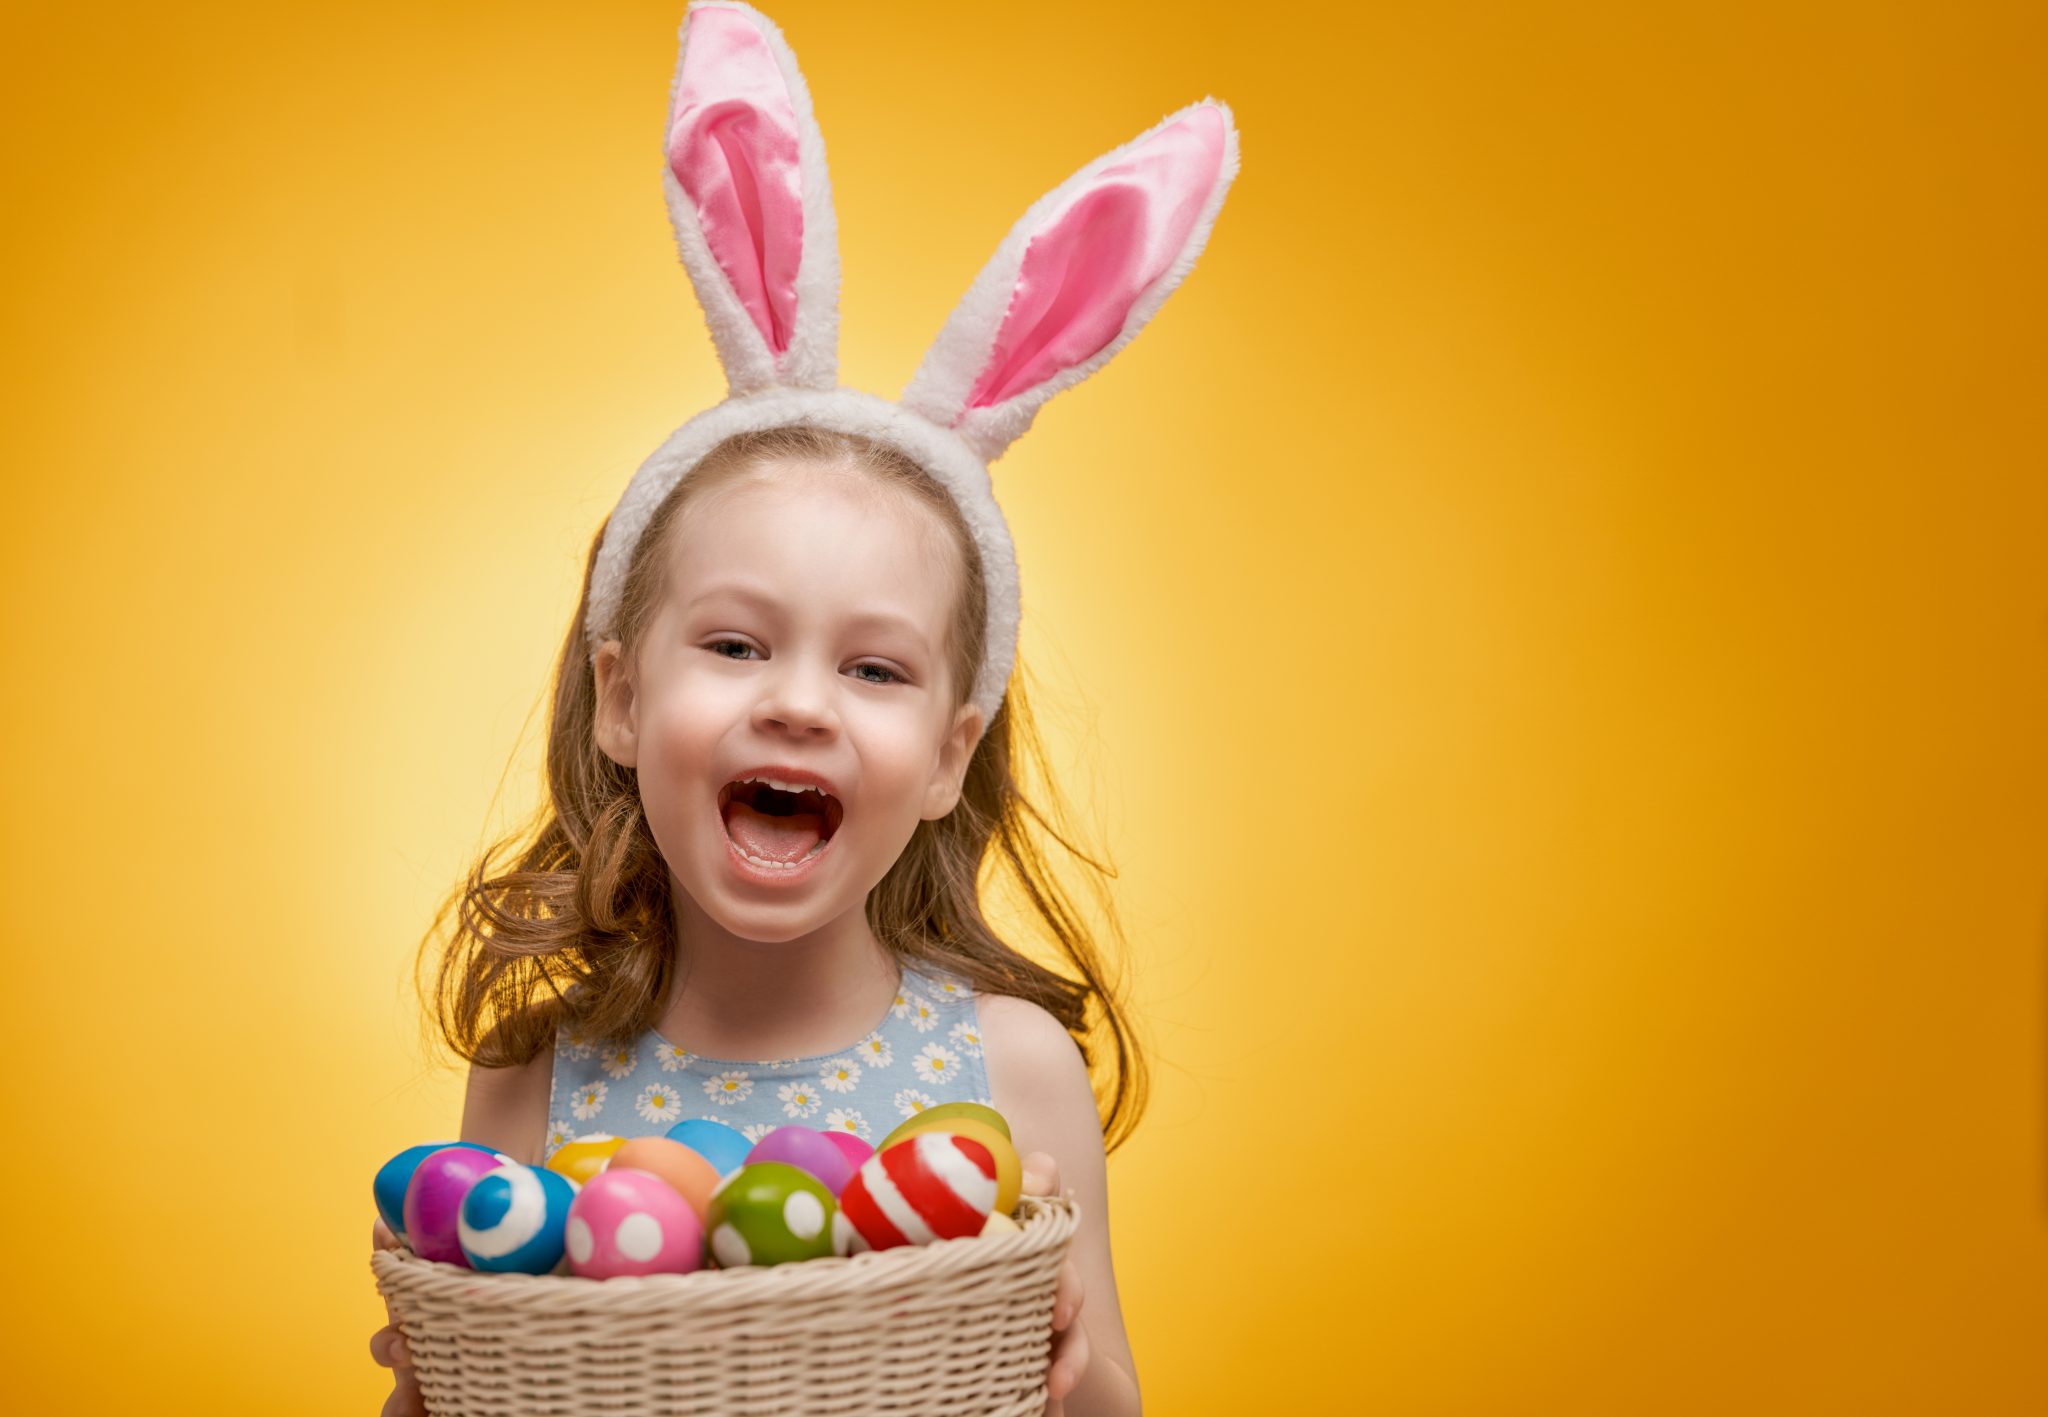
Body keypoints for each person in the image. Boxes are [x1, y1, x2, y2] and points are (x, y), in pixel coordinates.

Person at [369, 5, 1238, 1414]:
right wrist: (438, 1382)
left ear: (952, 755)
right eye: (734, 643)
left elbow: (1110, 1400)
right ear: (620, 697)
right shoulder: (535, 1072)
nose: (799, 705)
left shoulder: (1010, 1068)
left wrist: (1070, 1359)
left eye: (876, 669)